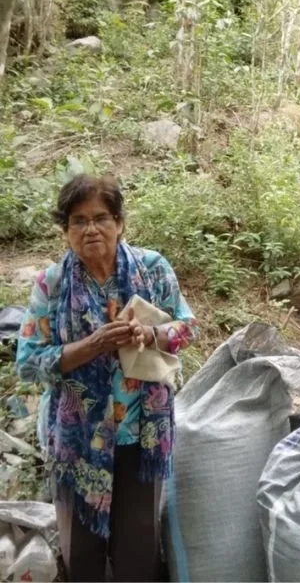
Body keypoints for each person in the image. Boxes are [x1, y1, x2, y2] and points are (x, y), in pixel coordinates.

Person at [16, 174, 198, 582]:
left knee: (138, 548)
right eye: (78, 220)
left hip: (140, 433)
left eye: (101, 217)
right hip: (79, 439)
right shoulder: (52, 284)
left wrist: (150, 334)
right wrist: (91, 346)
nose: (91, 229)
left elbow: (186, 329)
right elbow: (28, 362)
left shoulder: (152, 269)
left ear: (120, 223)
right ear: (66, 230)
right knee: (82, 553)